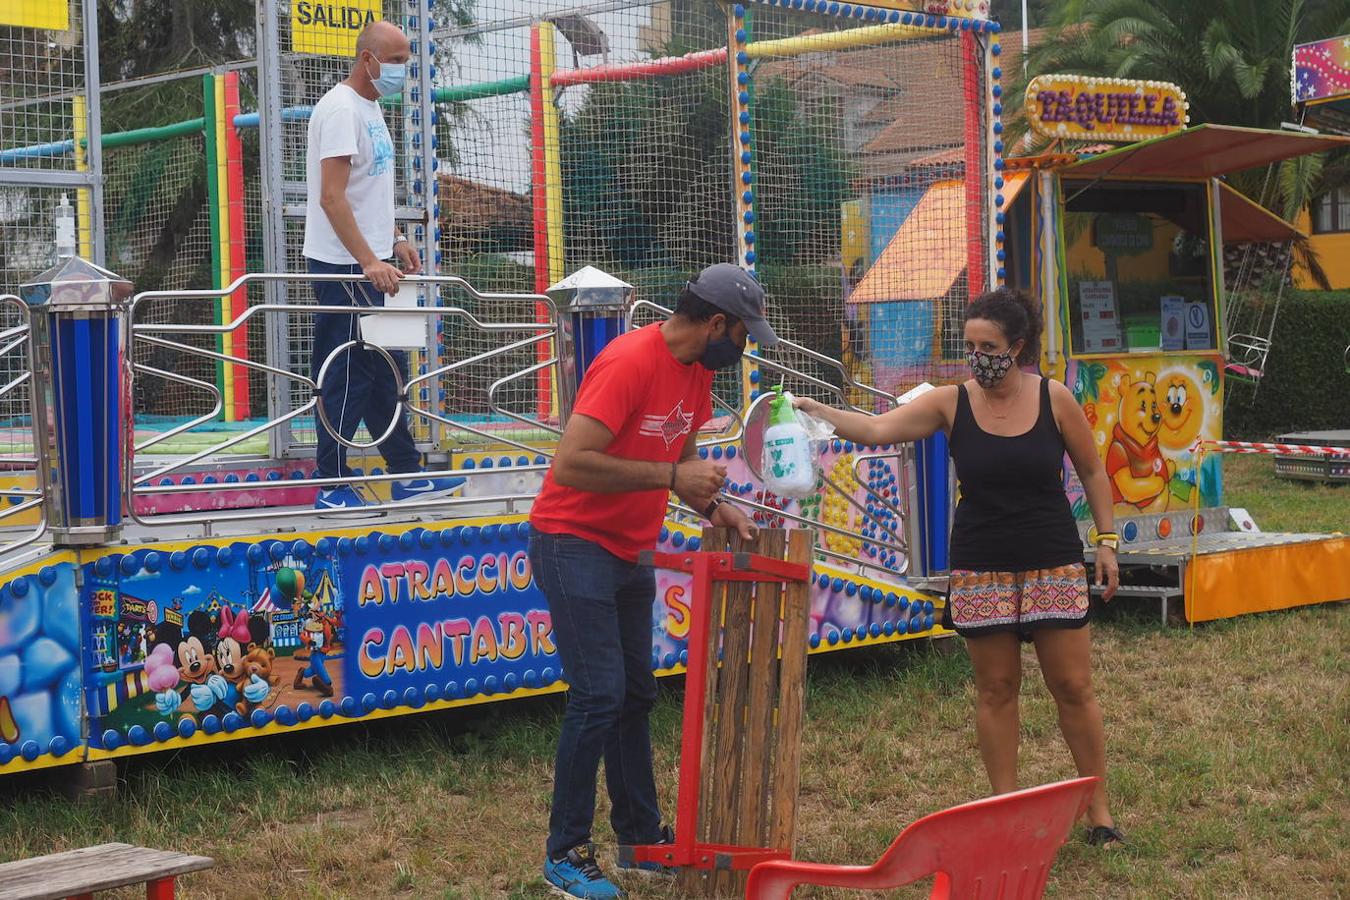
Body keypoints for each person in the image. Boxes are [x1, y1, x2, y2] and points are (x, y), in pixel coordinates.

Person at [794, 287, 1125, 848]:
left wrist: (1108, 541)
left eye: (988, 345)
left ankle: (1099, 810)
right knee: (996, 688)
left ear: (1017, 346)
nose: (976, 355)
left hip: (1052, 558)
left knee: (1073, 686)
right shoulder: (951, 403)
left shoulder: (1055, 398)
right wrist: (816, 410)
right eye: (968, 344)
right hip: (980, 563)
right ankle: (1004, 810)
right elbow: (877, 429)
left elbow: (1093, 472)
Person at [528, 263, 776, 899]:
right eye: (745, 335)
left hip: (629, 547)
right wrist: (671, 480)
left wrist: (715, 506)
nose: (745, 349)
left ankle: (639, 840)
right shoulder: (628, 362)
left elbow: (682, 456)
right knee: (600, 694)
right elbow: (573, 462)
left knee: (636, 694)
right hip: (570, 542)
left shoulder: (696, 374)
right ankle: (565, 853)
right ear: (715, 323)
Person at [302, 20, 460, 510]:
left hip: (377, 264)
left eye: (406, 61)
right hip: (346, 267)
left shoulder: (371, 109)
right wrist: (368, 260)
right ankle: (330, 480)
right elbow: (331, 198)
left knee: (387, 369)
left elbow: (367, 192)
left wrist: (393, 240)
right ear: (366, 58)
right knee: (347, 371)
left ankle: (406, 470)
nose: (401, 71)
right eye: (394, 61)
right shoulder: (340, 110)